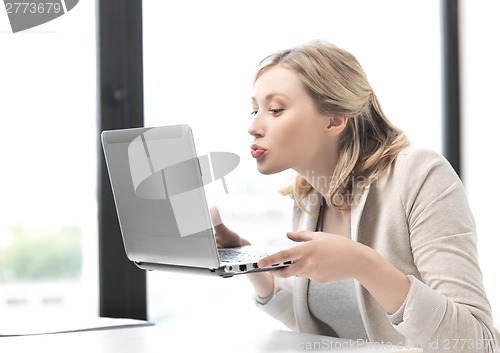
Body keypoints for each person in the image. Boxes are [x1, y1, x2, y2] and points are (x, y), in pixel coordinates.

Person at [210, 40, 499, 352]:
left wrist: (364, 265)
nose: (254, 126)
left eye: (275, 110)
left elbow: (479, 343)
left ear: (334, 120)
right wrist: (249, 262)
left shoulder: (420, 174)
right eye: (255, 109)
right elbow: (327, 326)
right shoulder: (309, 194)